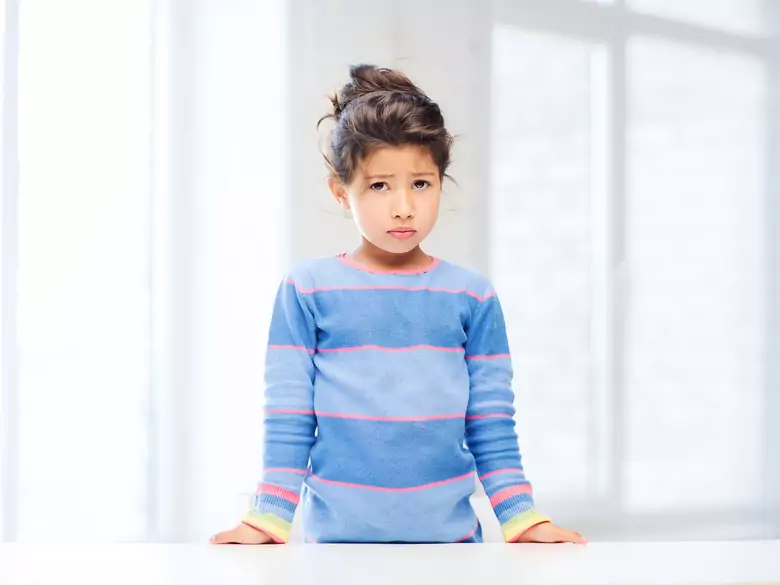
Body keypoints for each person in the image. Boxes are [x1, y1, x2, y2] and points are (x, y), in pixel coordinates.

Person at [211, 64, 585, 545]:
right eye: (380, 185)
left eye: (422, 184)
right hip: (334, 555)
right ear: (340, 192)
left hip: (452, 555)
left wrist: (522, 519)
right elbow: (289, 414)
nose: (404, 206)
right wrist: (266, 521)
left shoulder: (472, 296)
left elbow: (491, 421)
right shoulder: (307, 289)